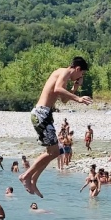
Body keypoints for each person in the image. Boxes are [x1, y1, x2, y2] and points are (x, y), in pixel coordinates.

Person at [18, 57, 92, 198]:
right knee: (55, 151)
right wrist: (78, 99)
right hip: (41, 113)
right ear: (77, 69)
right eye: (82, 74)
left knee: (55, 151)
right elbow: (58, 89)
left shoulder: (65, 76)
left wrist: (76, 86)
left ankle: (33, 179)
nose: (81, 76)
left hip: (45, 114)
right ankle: (26, 176)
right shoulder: (64, 71)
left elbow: (63, 99)